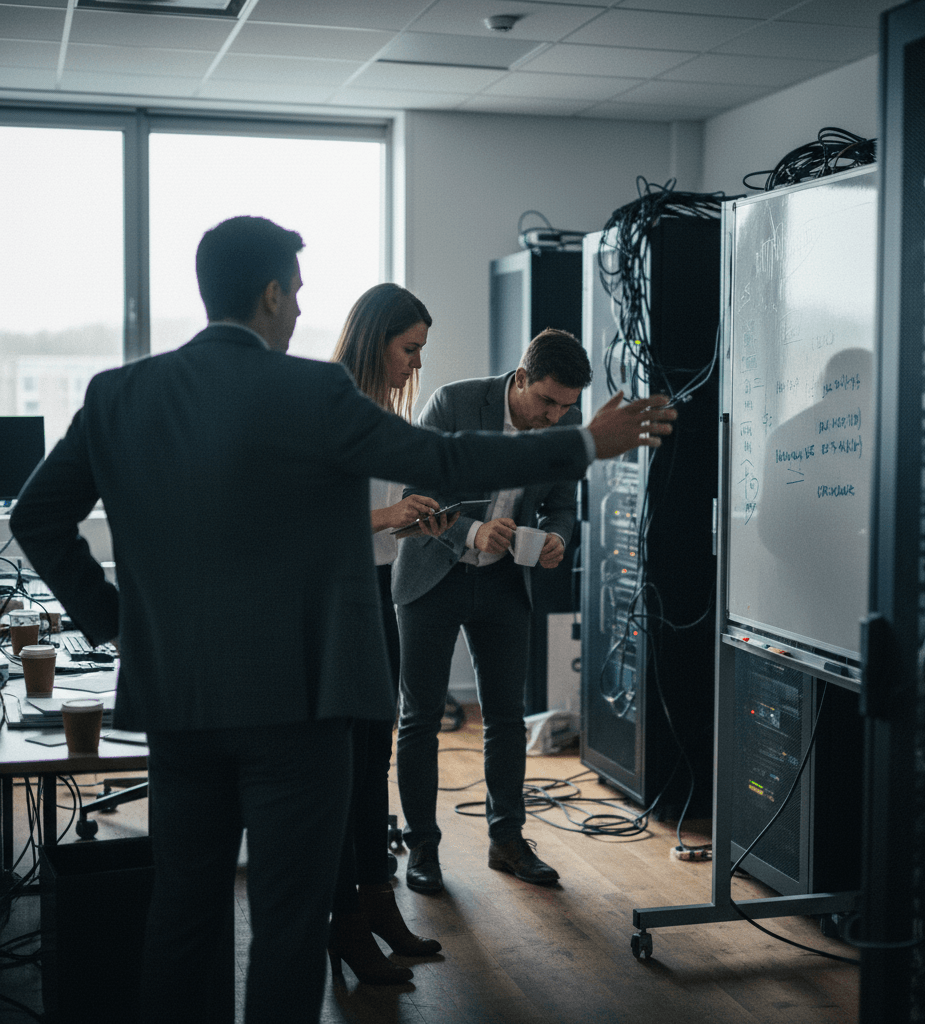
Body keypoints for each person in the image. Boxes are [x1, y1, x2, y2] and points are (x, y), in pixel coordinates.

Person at [9, 215, 676, 1024]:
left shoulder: (119, 393)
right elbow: (448, 460)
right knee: (288, 928)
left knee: (181, 917)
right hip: (302, 706)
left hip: (176, 705)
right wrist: (583, 442)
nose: (298, 310)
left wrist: (117, 622)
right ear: (270, 292)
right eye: (295, 291)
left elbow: (38, 519)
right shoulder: (311, 393)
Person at [393, 328, 592, 894]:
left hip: (506, 584)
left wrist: (554, 539)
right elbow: (416, 492)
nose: (554, 417)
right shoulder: (455, 403)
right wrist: (474, 531)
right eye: (547, 401)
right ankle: (422, 848)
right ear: (521, 378)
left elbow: (561, 507)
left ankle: (507, 841)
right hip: (433, 573)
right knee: (419, 718)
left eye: (567, 408)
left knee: (506, 717)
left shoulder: (560, 429)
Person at [326, 283, 444, 987]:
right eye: (409, 349)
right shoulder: (328, 407)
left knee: (375, 763)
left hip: (378, 593)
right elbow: (309, 520)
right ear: (376, 341)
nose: (415, 366)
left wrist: (409, 520)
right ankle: (343, 920)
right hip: (340, 604)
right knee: (344, 775)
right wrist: (387, 515)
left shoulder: (376, 411)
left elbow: (371, 515)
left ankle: (377, 905)